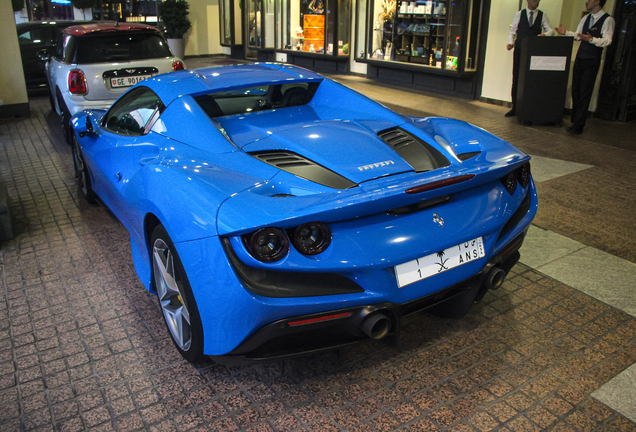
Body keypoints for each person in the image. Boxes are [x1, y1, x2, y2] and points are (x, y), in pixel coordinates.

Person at [556, 0, 615, 134]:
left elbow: (608, 40)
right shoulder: (585, 18)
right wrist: (566, 33)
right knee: (576, 89)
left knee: (585, 91)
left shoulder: (607, 20)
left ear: (597, 1)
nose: (586, 2)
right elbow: (579, 35)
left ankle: (579, 124)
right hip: (580, 58)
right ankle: (575, 120)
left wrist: (592, 39)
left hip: (592, 60)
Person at [506, 0, 553, 117]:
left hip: (534, 52)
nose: (537, 2)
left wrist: (545, 35)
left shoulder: (542, 15)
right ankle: (515, 107)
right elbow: (512, 32)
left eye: (538, 0)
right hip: (520, 50)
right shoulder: (519, 14)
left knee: (531, 79)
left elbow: (550, 30)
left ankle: (528, 107)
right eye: (534, 0)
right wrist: (510, 43)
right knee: (516, 78)